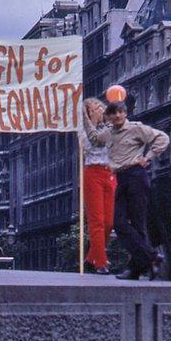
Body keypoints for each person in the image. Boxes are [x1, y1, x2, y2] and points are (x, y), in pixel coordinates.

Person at [82, 101, 169, 280]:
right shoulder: (109, 133)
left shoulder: (136, 128)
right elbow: (94, 138)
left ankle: (136, 269)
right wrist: (84, 115)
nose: (117, 116)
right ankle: (151, 258)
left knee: (137, 224)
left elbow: (163, 138)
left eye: (120, 112)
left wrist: (148, 157)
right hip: (120, 178)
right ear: (109, 116)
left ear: (125, 113)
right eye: (113, 113)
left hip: (136, 175)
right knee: (118, 223)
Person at [78, 97, 116, 275]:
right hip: (92, 173)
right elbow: (89, 145)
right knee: (97, 220)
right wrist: (88, 122)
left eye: (101, 106)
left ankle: (91, 257)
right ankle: (101, 262)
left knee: (109, 221)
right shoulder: (83, 129)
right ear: (88, 113)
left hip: (110, 173)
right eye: (95, 108)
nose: (100, 110)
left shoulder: (111, 127)